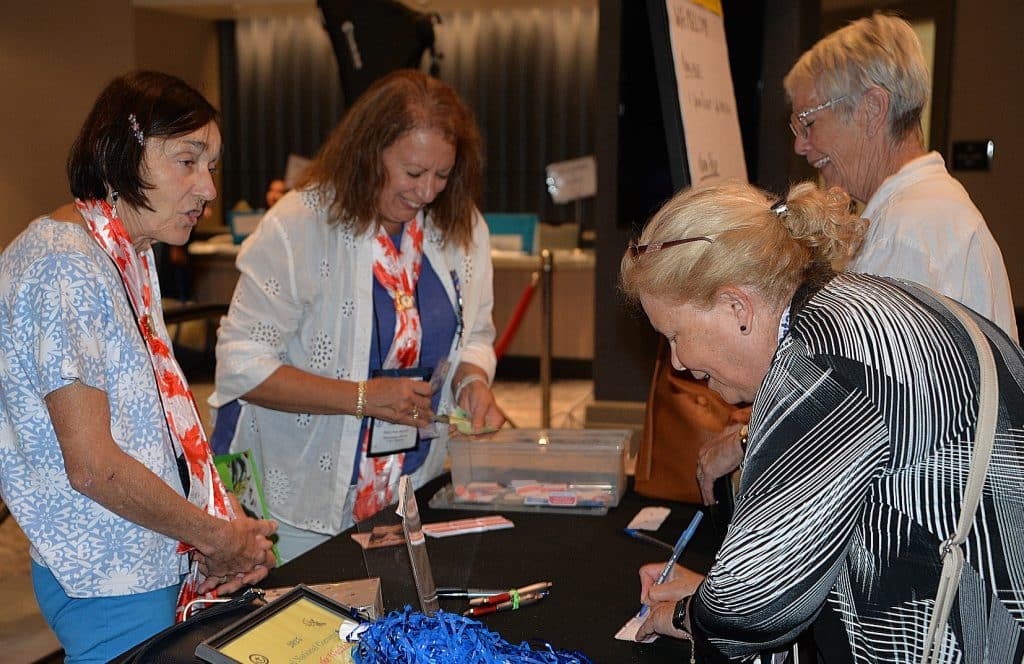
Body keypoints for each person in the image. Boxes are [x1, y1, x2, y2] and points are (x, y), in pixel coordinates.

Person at [620, 180, 1024, 661]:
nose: (678, 362)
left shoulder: (815, 367)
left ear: (736, 307)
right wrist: (717, 594)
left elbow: (753, 609)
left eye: (675, 336)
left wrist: (687, 615)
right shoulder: (856, 305)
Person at [0, 71, 277, 663]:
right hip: (112, 574)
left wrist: (214, 525)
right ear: (119, 153)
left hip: (151, 552)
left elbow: (153, 425)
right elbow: (94, 468)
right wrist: (215, 536)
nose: (208, 188)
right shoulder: (64, 265)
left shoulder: (124, 253)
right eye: (187, 161)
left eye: (212, 166)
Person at [695, 12, 1018, 505]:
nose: (801, 145)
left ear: (872, 108)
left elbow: (868, 415)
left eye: (809, 122)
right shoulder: (917, 214)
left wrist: (745, 440)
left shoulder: (911, 231)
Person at [212, 69, 504, 563]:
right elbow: (240, 367)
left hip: (406, 484)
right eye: (413, 173)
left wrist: (471, 381)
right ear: (370, 153)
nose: (428, 192)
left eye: (442, 175)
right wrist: (364, 398)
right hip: (292, 495)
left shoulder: (461, 227)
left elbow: (475, 332)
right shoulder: (302, 223)